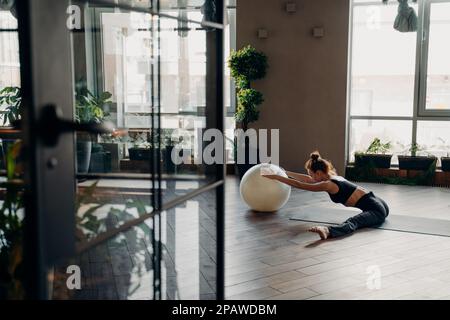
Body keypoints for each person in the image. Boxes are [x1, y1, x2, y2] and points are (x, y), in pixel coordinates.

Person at [262, 151, 389, 240]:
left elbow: (301, 185)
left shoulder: (328, 185)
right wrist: (283, 172)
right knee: (359, 219)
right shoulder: (332, 175)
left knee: (353, 222)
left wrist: (277, 177)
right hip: (378, 202)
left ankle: (327, 231)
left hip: (376, 209)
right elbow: (307, 179)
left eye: (312, 174)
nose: (311, 177)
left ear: (318, 173)